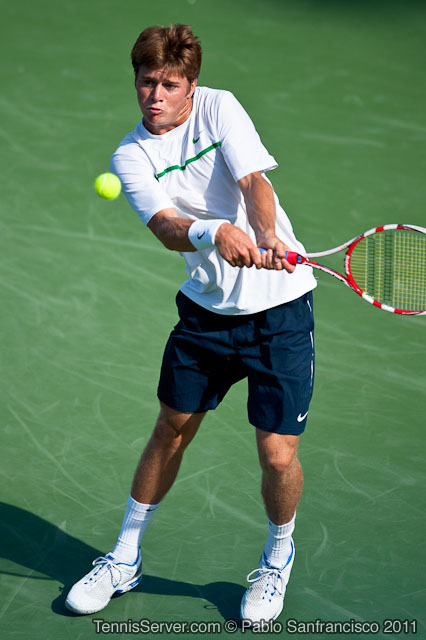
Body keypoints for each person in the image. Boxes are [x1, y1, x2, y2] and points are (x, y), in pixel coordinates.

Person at [65, 24, 317, 624]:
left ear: (191, 86)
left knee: (279, 456)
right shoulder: (130, 156)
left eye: (169, 84)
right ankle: (124, 557)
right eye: (146, 82)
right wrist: (213, 232)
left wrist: (263, 233)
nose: (155, 95)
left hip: (281, 313)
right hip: (206, 315)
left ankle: (277, 561)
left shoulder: (221, 108)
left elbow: (254, 180)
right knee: (171, 431)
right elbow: (165, 225)